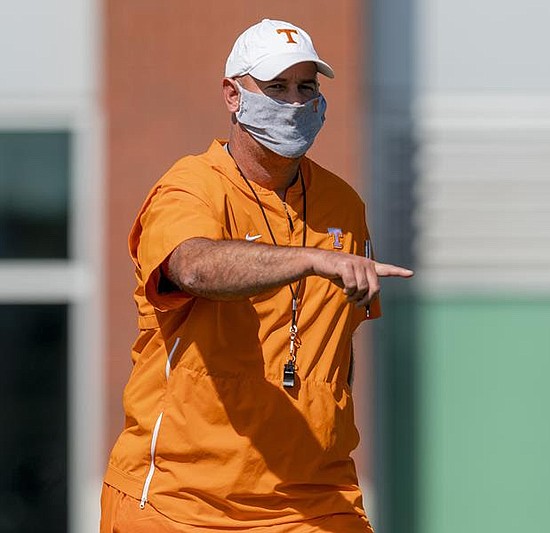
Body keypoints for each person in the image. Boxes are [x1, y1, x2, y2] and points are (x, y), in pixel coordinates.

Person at [99, 18, 413, 533]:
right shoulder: (190, 187)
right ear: (233, 95)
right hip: (181, 501)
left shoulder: (343, 205)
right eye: (276, 88)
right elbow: (194, 266)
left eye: (306, 87)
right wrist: (309, 259)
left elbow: (337, 349)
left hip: (314, 497)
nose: (295, 102)